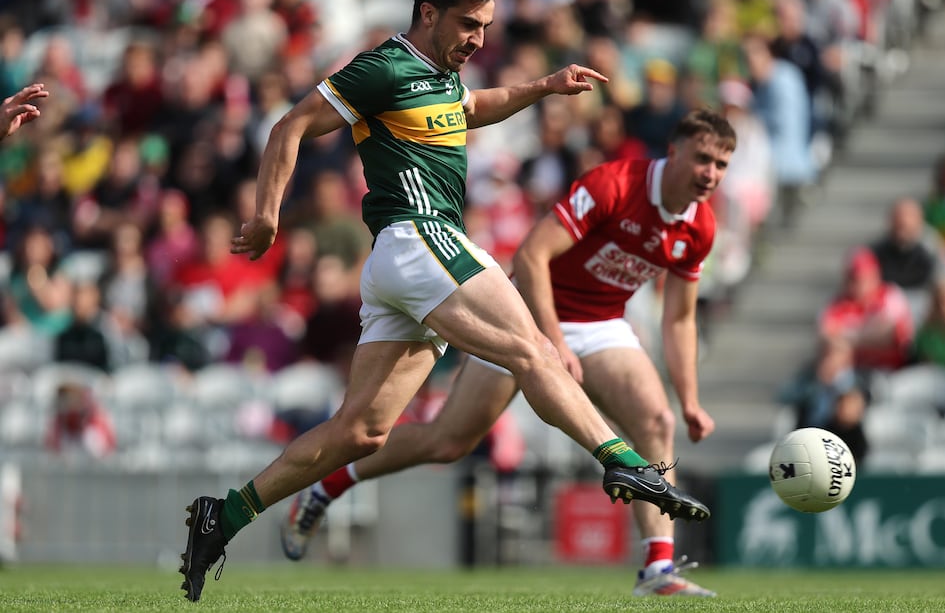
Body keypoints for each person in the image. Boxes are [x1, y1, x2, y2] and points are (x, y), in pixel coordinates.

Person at [179, 0, 708, 603]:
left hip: (400, 262)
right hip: (420, 234)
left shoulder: (443, 76)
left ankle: (222, 515)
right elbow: (290, 125)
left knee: (361, 431)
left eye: (485, 25)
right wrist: (266, 214)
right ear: (427, 12)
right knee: (534, 350)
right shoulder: (385, 66)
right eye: (467, 23)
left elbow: (475, 106)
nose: (478, 38)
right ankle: (628, 466)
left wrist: (541, 87)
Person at [278, 110, 733, 598]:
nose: (711, 173)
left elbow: (681, 318)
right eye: (703, 158)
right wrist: (552, 342)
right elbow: (532, 256)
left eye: (722, 164)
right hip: (526, 315)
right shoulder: (615, 184)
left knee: (657, 421)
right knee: (447, 442)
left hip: (601, 325)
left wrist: (689, 398)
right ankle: (328, 485)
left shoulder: (699, 227)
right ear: (675, 150)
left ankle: (657, 571)